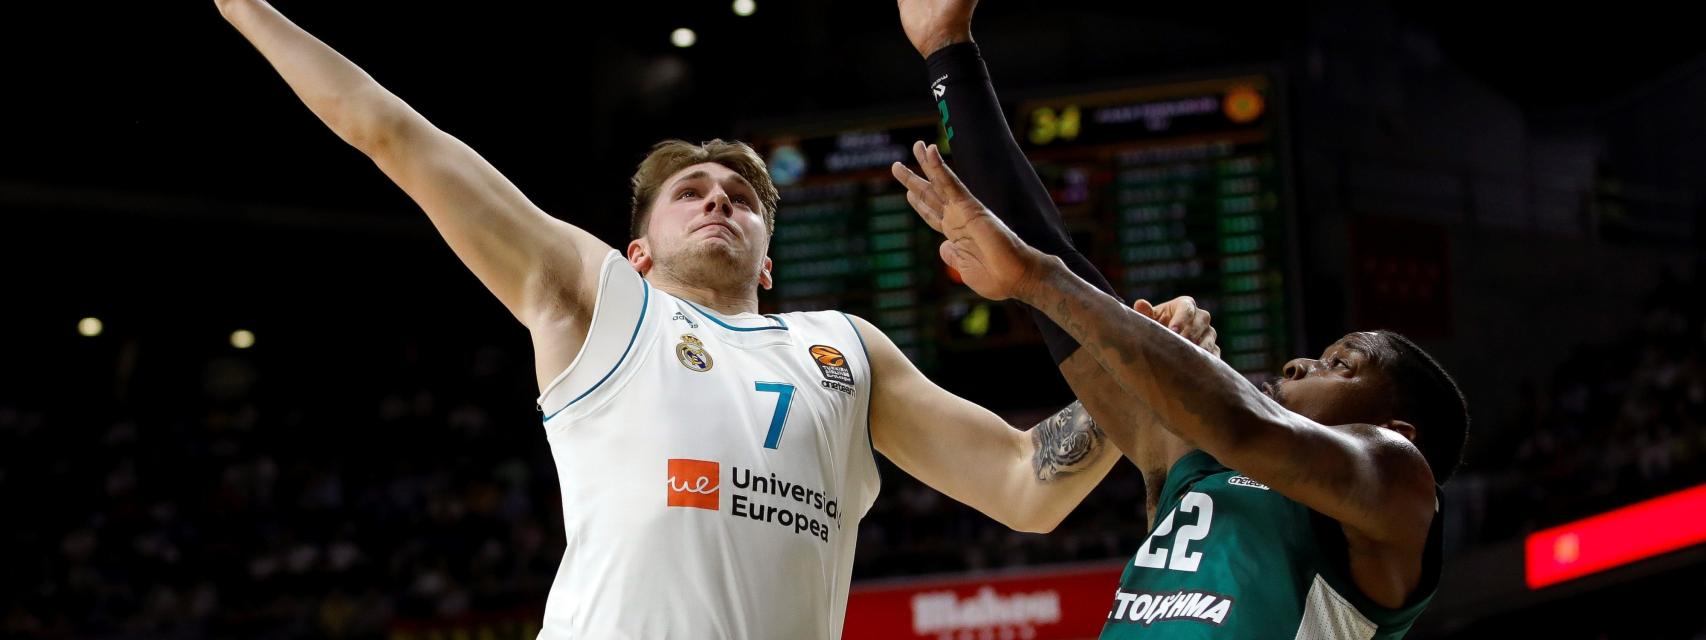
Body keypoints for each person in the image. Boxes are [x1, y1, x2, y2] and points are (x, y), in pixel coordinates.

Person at [214, 1, 1220, 637]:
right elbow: (390, 132)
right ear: (638, 249)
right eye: (690, 193)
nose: (719, 201)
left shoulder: (843, 347)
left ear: (767, 257)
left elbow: (1022, 484)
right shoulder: (598, 302)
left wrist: (1149, 360)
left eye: (740, 197)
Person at [893, 2, 1467, 635]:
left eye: (1341, 364)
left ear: (1395, 431)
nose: (1299, 364)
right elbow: (1043, 250)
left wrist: (1038, 279)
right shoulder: (1192, 461)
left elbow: (1244, 426)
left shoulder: (1397, 487)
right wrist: (947, 48)